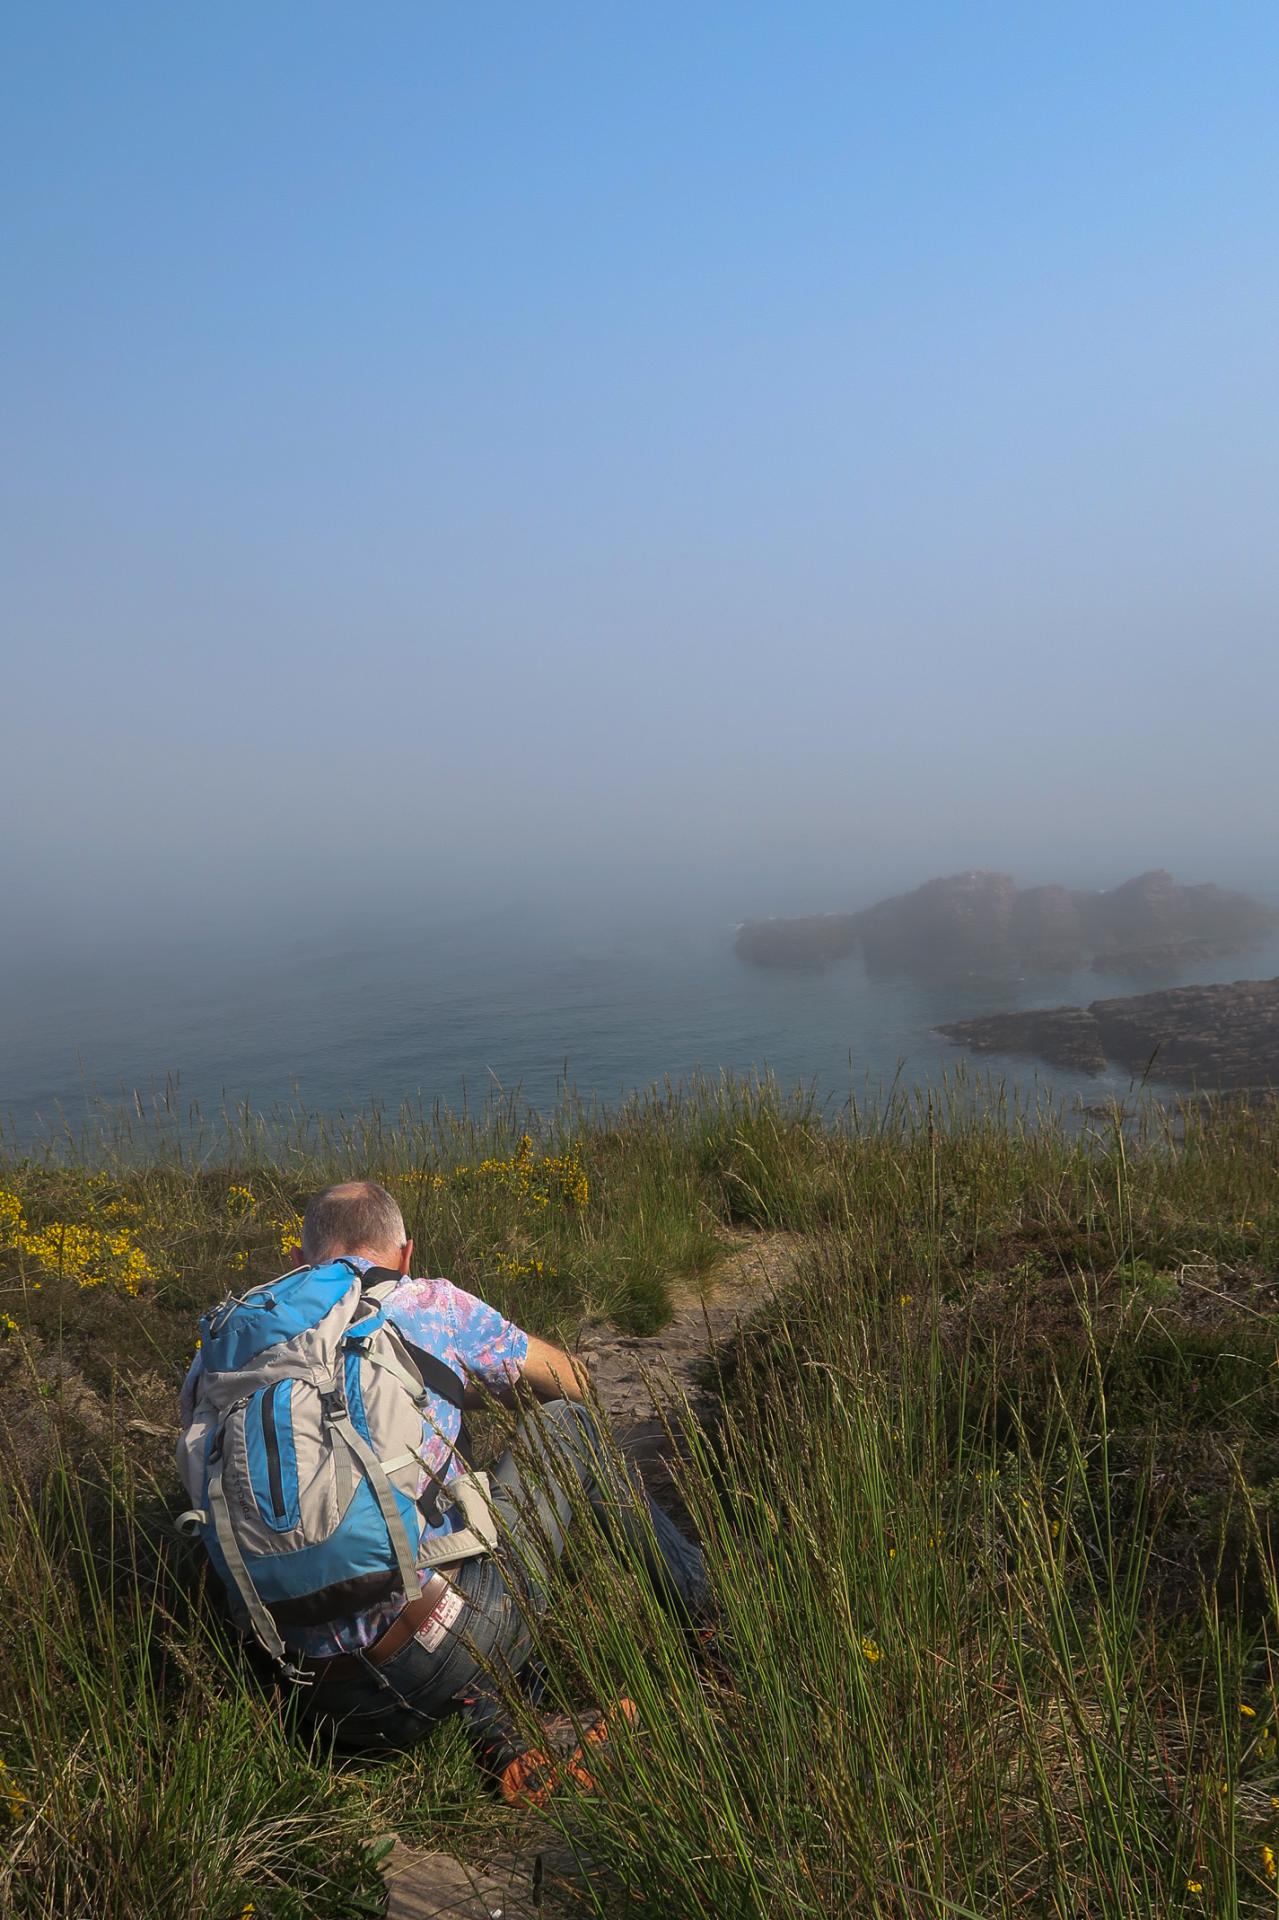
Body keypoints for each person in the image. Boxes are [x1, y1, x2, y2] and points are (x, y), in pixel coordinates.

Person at [181, 1179, 708, 1792]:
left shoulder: (223, 1353)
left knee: (421, 1533)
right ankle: (709, 1619)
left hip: (316, 1703)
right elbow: (572, 1381)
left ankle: (504, 1738)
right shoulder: (430, 1304)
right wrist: (462, 1389)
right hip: (446, 1644)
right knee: (560, 1435)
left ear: (297, 1265)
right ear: (406, 1254)